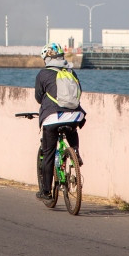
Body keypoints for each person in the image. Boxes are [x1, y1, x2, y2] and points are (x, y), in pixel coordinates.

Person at [33, 41, 86, 202]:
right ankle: (75, 152)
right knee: (72, 128)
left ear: (46, 58)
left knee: (48, 153)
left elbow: (38, 97)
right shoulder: (71, 72)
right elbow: (79, 91)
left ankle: (47, 192)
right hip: (75, 116)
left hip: (52, 118)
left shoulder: (43, 74)